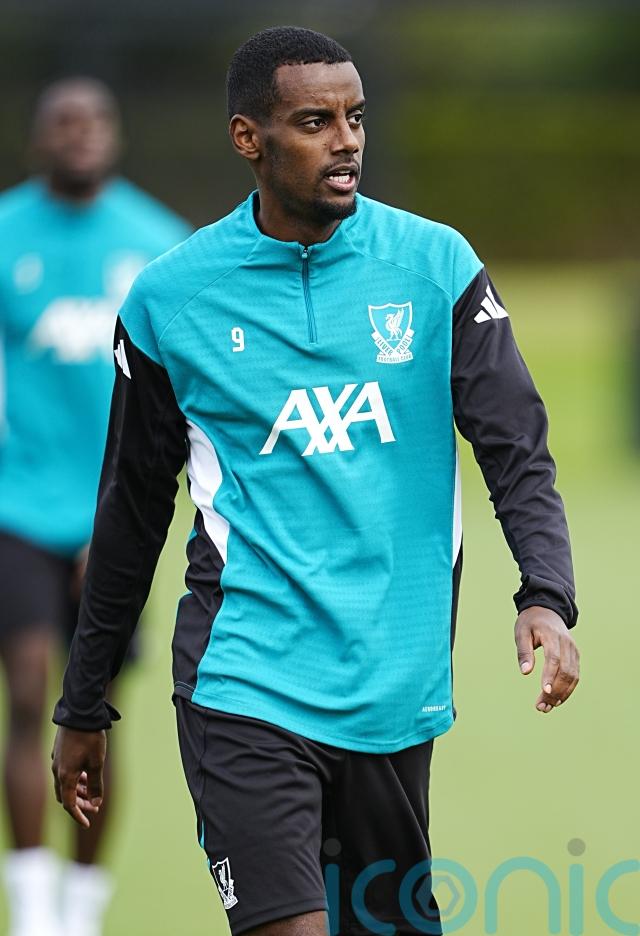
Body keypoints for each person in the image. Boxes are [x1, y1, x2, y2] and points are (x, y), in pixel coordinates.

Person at [51, 28, 580, 936]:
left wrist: (546, 592)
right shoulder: (172, 300)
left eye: (356, 118)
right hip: (241, 677)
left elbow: (516, 447)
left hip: (393, 688)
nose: (347, 142)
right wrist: (85, 702)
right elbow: (132, 510)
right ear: (247, 138)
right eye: (314, 122)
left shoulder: (436, 269)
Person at [0, 77, 190, 936]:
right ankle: (32, 906)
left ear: (114, 135)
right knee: (26, 687)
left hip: (115, 521)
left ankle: (79, 909)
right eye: (63, 122)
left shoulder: (157, 244)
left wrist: (119, 524)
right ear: (39, 137)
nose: (80, 134)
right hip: (15, 508)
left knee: (94, 713)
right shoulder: (6, 234)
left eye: (94, 122)